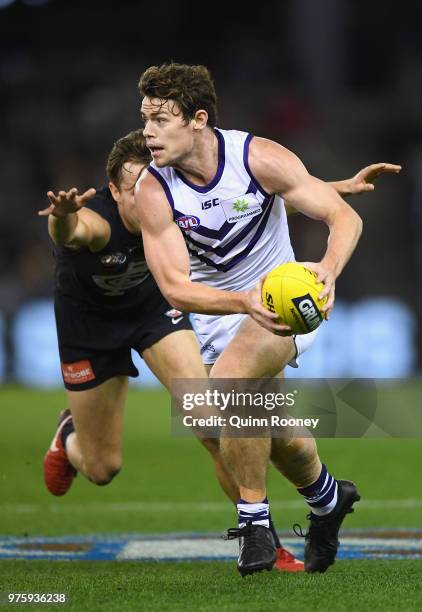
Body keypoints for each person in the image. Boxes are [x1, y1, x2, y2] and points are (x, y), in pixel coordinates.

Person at [135, 63, 401, 575]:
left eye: (161, 119)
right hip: (221, 314)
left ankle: (254, 526)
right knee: (279, 438)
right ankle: (328, 499)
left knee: (231, 383)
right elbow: (174, 288)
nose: (148, 131)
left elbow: (344, 217)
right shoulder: (154, 189)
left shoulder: (258, 157)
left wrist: (326, 269)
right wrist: (241, 303)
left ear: (198, 119)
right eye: (144, 119)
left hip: (284, 304)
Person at [39, 129, 304, 572]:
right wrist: (62, 216)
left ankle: (260, 538)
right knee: (103, 468)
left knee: (213, 424)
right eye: (135, 189)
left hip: (153, 314)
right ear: (113, 192)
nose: (147, 197)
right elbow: (71, 231)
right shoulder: (101, 222)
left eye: (152, 184)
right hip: (88, 327)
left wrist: (333, 190)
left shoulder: (171, 209)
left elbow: (265, 200)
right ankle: (69, 436)